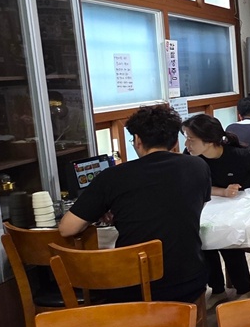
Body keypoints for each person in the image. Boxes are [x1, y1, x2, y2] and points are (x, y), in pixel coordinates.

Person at [58, 104, 211, 303]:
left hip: (134, 288)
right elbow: (188, 208)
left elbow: (67, 229)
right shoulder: (198, 166)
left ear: (138, 140)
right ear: (175, 141)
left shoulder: (113, 176)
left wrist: (111, 210)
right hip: (189, 282)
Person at [182, 114, 250, 298]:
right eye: (186, 138)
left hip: (241, 205)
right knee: (202, 236)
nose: (187, 144)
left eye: (191, 139)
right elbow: (198, 185)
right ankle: (217, 289)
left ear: (208, 140)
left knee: (227, 236)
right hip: (213, 204)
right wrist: (222, 191)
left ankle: (243, 288)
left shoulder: (237, 155)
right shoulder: (191, 158)